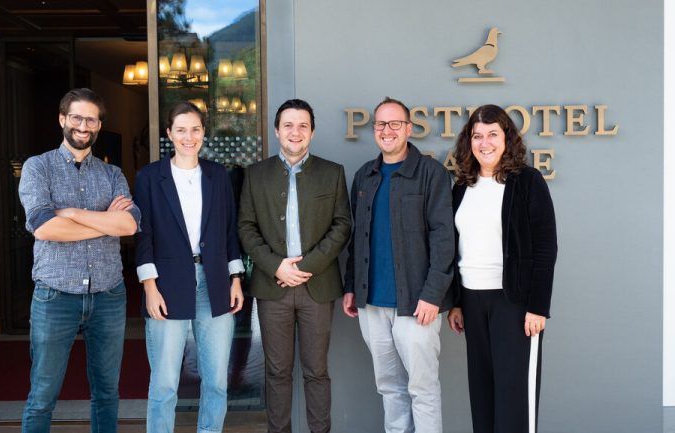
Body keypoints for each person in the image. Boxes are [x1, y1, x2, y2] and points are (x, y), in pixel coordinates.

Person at [18, 88, 140, 433]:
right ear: (62, 119)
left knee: (106, 392)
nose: (83, 125)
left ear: (99, 125)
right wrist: (103, 223)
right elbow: (44, 227)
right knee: (43, 394)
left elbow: (129, 224)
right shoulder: (37, 167)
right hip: (55, 296)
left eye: (90, 119)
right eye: (76, 117)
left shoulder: (112, 174)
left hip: (108, 296)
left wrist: (71, 213)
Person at [238, 99, 351, 433]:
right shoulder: (255, 174)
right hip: (273, 288)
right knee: (277, 373)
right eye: (288, 125)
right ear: (276, 131)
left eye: (303, 125)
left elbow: (342, 225)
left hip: (317, 287)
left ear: (312, 132)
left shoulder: (332, 173)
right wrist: (277, 267)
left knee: (317, 371)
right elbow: (246, 227)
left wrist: (308, 266)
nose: (295, 132)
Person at [343, 97, 455, 433]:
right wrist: (351, 287)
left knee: (422, 388)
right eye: (380, 124)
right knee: (389, 388)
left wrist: (433, 295)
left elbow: (444, 238)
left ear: (408, 128)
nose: (387, 130)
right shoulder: (365, 176)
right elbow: (357, 239)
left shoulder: (431, 173)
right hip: (372, 305)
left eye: (395, 124)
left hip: (416, 305)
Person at [134, 101, 245, 433]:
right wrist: (149, 287)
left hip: (214, 283)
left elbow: (229, 231)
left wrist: (235, 278)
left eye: (195, 129)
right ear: (169, 133)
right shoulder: (150, 177)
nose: (188, 136)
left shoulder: (217, 175)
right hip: (166, 286)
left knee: (216, 383)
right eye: (181, 129)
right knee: (165, 383)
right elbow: (144, 234)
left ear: (203, 133)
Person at [446, 104, 558, 433]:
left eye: (493, 134)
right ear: (469, 141)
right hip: (471, 300)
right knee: (482, 392)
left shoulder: (527, 181)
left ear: (507, 138)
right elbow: (456, 246)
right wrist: (455, 301)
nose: (485, 143)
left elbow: (545, 247)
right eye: (477, 136)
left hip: (515, 303)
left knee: (514, 396)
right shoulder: (462, 186)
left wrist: (538, 307)